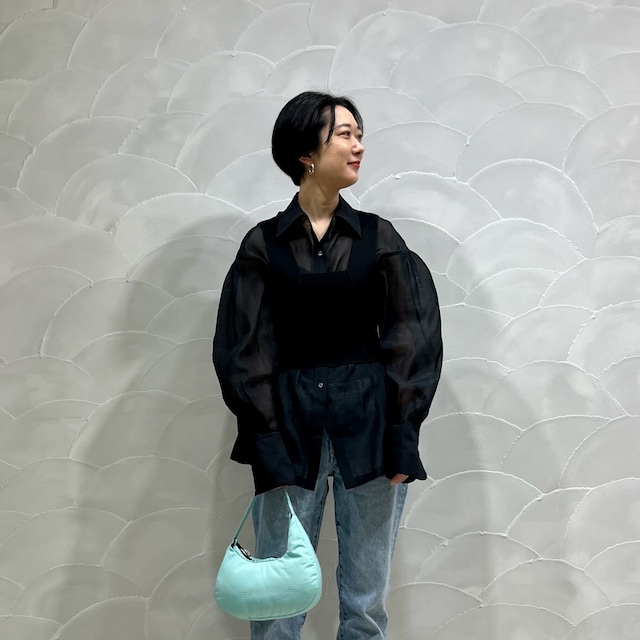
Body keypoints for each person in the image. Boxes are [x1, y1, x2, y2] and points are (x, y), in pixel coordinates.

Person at [213, 91, 443, 640]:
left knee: (366, 603)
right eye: (345, 134)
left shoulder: (380, 239)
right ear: (306, 152)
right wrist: (265, 440)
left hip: (371, 430)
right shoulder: (262, 245)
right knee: (277, 601)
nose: (358, 145)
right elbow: (243, 349)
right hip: (287, 430)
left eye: (359, 135)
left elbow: (413, 337)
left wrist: (404, 434)